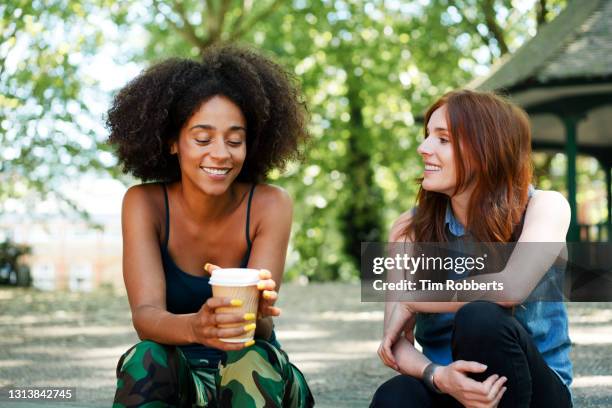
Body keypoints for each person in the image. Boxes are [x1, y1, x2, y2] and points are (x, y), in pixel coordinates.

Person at [107, 45, 313, 407]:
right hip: (184, 381)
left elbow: (261, 332)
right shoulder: (144, 204)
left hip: (259, 378)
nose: (221, 153)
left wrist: (256, 315)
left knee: (250, 359)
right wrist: (195, 327)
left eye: (235, 140)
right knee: (145, 358)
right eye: (202, 139)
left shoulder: (270, 205)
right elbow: (146, 317)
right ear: (172, 142)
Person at [371, 90, 573, 408]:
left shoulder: (546, 207)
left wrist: (412, 302)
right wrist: (438, 376)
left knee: (480, 317)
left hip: (535, 393)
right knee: (394, 397)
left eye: (443, 139)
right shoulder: (408, 230)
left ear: (485, 150)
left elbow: (510, 288)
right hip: (452, 389)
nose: (423, 149)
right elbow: (393, 343)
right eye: (427, 137)